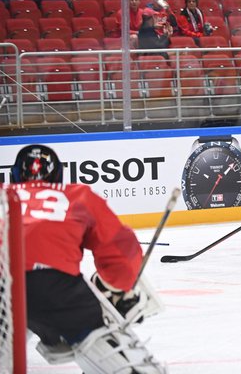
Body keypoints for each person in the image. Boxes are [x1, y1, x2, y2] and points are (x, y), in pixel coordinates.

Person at [8, 144, 166, 373]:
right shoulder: (76, 195)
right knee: (94, 335)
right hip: (55, 289)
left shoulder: (3, 193)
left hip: (4, 286)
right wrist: (118, 289)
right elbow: (121, 250)